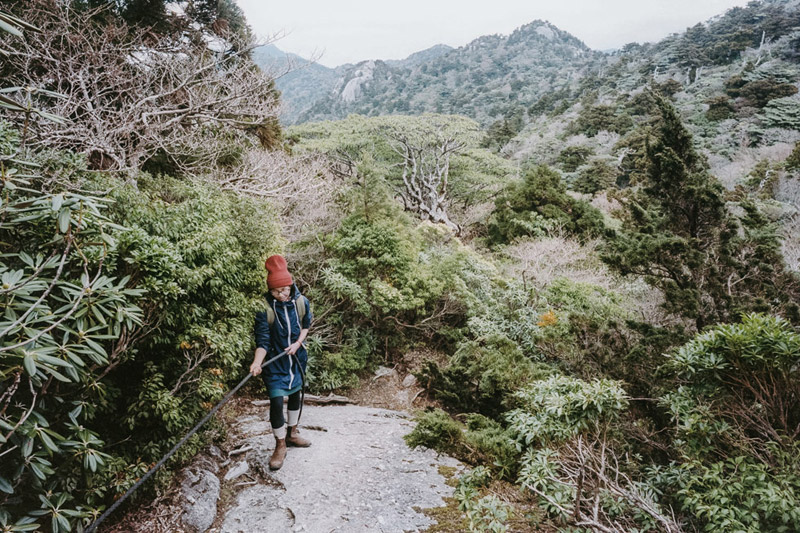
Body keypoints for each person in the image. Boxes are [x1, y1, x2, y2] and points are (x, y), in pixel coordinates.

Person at [249, 255, 312, 470]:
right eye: (277, 291)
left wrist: (297, 344)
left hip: (296, 359)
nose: (282, 294)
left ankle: (292, 432)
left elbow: (306, 326)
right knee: (276, 401)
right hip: (275, 364)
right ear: (271, 291)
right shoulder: (265, 308)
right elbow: (263, 341)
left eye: (285, 289)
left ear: (290, 284)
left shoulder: (301, 302)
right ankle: (280, 444)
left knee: (295, 394)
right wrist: (257, 362)